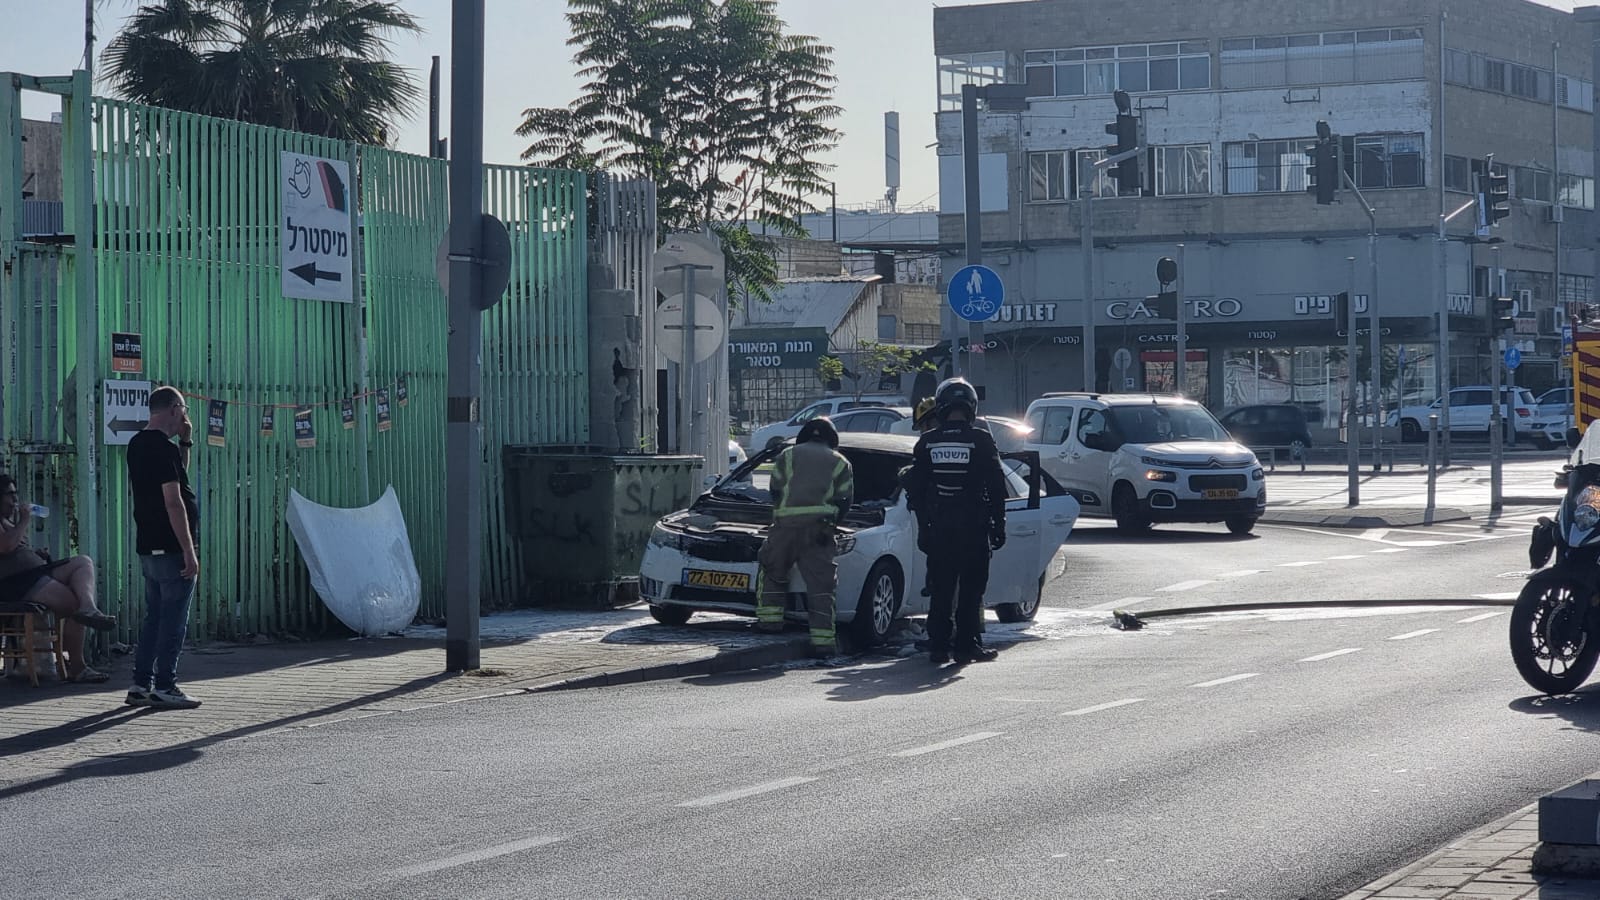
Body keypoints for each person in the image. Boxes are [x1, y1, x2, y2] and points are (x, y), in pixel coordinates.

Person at [905, 377, 1008, 665]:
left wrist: (924, 527)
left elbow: (917, 489)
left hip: (940, 528)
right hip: (973, 527)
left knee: (941, 588)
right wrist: (999, 526)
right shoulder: (981, 440)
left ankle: (938, 646)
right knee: (972, 589)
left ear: (941, 406)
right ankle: (967, 645)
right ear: (971, 407)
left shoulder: (927, 442)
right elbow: (997, 487)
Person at [125, 386, 202, 709]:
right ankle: (166, 684)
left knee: (154, 617)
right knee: (173, 619)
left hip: (148, 544)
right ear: (173, 409)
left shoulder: (138, 444)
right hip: (171, 547)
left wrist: (186, 442)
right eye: (183, 409)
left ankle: (141, 683)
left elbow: (178, 477)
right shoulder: (162, 449)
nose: (185, 415)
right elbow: (174, 503)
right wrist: (188, 549)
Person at [754, 417, 854, 664]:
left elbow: (775, 490)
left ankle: (769, 623)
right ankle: (823, 643)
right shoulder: (840, 461)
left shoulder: (787, 455)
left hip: (785, 527)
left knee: (773, 571)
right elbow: (845, 500)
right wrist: (831, 523)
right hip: (819, 530)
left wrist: (784, 514)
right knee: (821, 586)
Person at [0, 474, 115, 682]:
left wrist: (36, 555)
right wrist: (25, 520)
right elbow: (6, 546)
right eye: (10, 495)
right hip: (15, 584)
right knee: (72, 605)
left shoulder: (7, 521)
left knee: (82, 562)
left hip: (32, 573)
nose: (15, 500)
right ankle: (78, 667)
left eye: (16, 494)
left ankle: (89, 608)